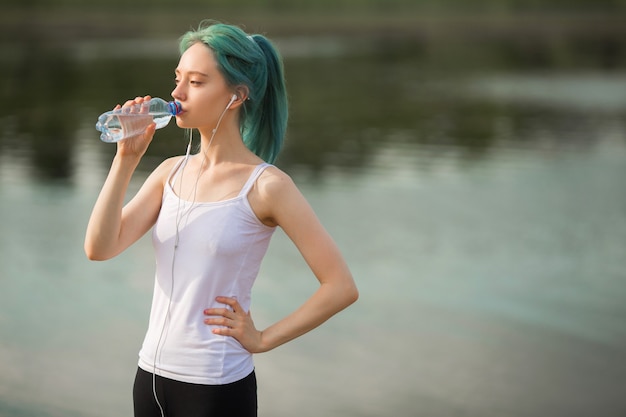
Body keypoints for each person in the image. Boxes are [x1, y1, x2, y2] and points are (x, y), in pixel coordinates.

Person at [84, 20, 358, 417]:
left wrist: (262, 338)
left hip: (214, 388)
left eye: (195, 82)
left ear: (236, 95)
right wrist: (126, 160)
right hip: (150, 377)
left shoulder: (267, 186)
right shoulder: (169, 173)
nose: (176, 93)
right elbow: (99, 247)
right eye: (178, 79)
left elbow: (340, 287)